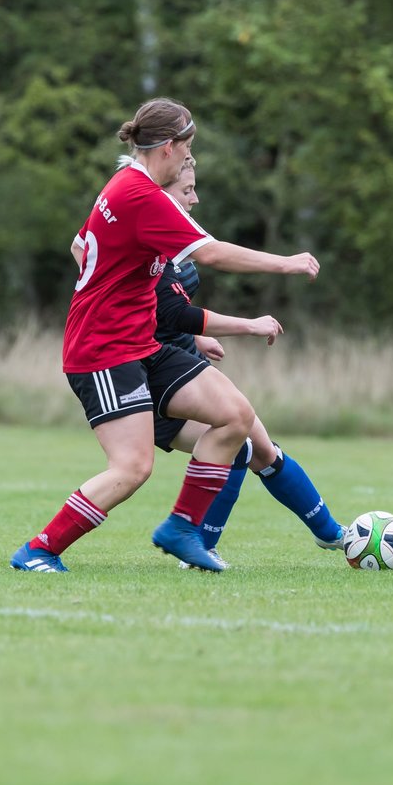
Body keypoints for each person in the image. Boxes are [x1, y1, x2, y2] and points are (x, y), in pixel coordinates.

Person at [9, 98, 320, 573]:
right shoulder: (139, 195)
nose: (190, 159)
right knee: (132, 468)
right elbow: (212, 253)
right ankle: (40, 549)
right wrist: (286, 262)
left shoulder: (126, 187)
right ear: (170, 147)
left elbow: (81, 245)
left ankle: (182, 528)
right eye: (188, 147)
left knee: (235, 418)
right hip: (102, 351)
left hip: (142, 344)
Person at [144, 156, 348, 569]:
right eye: (187, 190)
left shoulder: (173, 246)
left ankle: (333, 534)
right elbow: (171, 309)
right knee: (238, 443)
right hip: (149, 376)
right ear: (163, 192)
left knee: (263, 450)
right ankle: (199, 545)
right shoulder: (148, 248)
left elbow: (162, 312)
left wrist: (195, 339)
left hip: (179, 360)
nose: (195, 198)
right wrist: (250, 319)